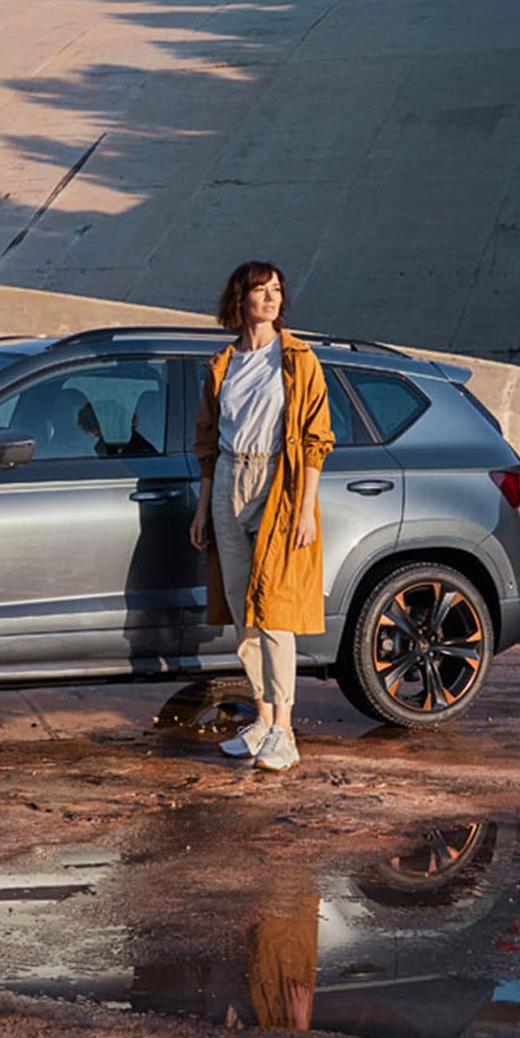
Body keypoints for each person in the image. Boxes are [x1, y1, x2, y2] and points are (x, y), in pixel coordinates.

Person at [190, 261, 334, 772]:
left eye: (277, 290)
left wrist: (304, 509)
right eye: (261, 290)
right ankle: (262, 719)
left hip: (278, 483)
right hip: (229, 478)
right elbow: (208, 443)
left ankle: (285, 731)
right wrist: (204, 507)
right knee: (241, 609)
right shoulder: (222, 364)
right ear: (241, 298)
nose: (271, 298)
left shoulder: (297, 359)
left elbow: (317, 438)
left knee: (274, 613)